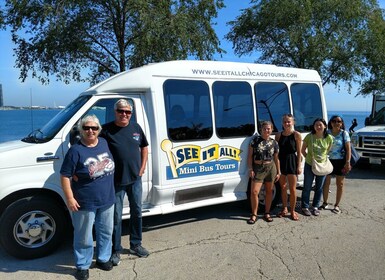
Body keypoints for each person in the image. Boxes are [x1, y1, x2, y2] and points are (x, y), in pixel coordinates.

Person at [60, 115, 115, 280]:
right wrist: (70, 198)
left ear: (99, 130)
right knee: (83, 235)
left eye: (94, 128)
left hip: (107, 198)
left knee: (105, 231)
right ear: (81, 130)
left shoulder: (104, 143)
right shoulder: (75, 151)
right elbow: (64, 176)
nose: (90, 131)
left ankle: (103, 258)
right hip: (84, 201)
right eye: (86, 128)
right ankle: (83, 265)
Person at [101, 99, 149, 265]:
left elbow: (144, 147)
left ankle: (136, 244)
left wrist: (142, 168)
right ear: (115, 111)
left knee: (137, 212)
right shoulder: (105, 130)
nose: (124, 114)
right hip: (115, 181)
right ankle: (116, 250)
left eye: (128, 112)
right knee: (116, 217)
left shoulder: (136, 128)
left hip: (135, 179)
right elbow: (91, 146)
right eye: (121, 111)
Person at [247, 121, 281, 224]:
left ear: (271, 130)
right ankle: (254, 214)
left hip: (270, 168)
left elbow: (276, 158)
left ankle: (267, 213)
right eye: (265, 128)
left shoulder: (274, 143)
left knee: (269, 191)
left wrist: (278, 172)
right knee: (254, 192)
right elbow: (250, 157)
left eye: (269, 129)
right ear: (261, 129)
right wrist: (250, 169)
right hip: (258, 168)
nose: (267, 130)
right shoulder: (254, 141)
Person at [301, 118, 333, 216]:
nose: (318, 127)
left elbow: (328, 150)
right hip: (310, 164)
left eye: (320, 125)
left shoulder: (329, 138)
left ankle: (315, 206)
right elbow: (303, 150)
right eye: (316, 125)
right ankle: (305, 207)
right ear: (313, 126)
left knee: (319, 187)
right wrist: (310, 159)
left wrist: (321, 160)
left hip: (322, 166)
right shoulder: (309, 137)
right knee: (307, 186)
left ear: (325, 126)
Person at [321, 115, 352, 214]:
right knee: (326, 183)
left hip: (341, 161)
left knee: (340, 184)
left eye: (338, 121)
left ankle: (336, 205)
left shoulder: (344, 134)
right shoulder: (326, 133)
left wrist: (347, 162)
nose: (336, 123)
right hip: (328, 161)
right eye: (334, 121)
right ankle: (325, 203)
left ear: (342, 123)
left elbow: (348, 150)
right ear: (330, 123)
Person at [275, 114, 302, 221]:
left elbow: (299, 152)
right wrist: (277, 168)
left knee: (292, 189)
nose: (287, 123)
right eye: (285, 122)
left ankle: (292, 211)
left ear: (293, 123)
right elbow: (276, 153)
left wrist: (299, 166)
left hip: (292, 161)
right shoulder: (278, 135)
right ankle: (284, 208)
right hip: (281, 162)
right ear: (282, 123)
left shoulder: (296, 135)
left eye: (289, 122)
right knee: (283, 187)